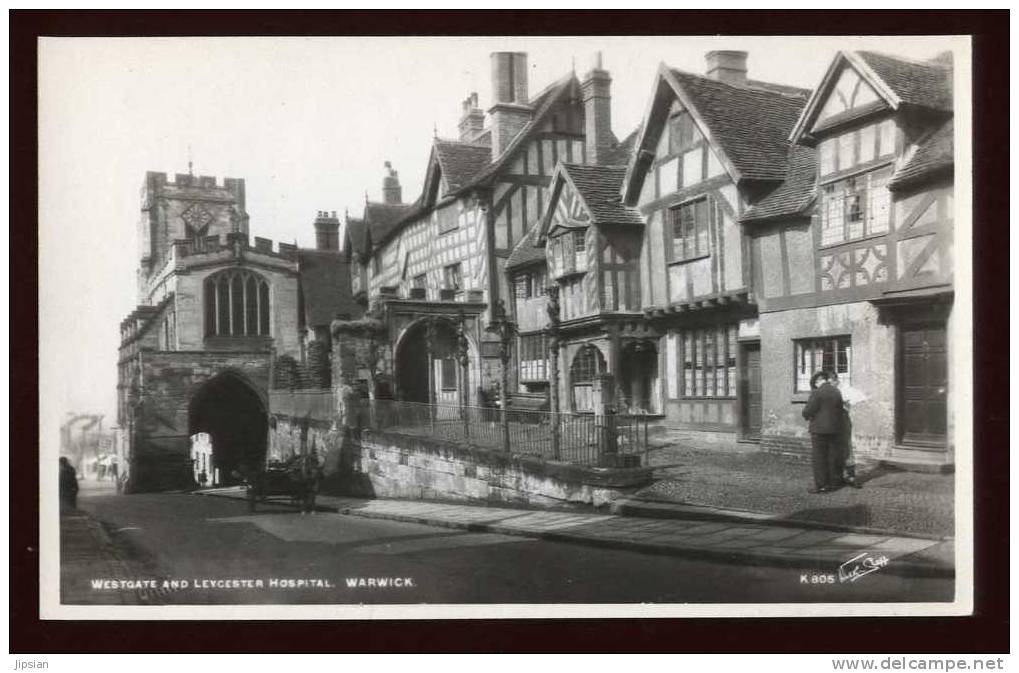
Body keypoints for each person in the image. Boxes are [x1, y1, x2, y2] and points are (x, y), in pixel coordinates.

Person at [801, 370, 844, 493]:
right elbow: (840, 410)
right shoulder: (836, 391)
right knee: (831, 457)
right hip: (834, 430)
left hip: (819, 430)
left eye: (815, 383)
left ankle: (822, 486)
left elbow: (808, 411)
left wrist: (806, 415)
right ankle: (832, 484)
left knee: (819, 458)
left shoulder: (817, 392)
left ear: (817, 381)